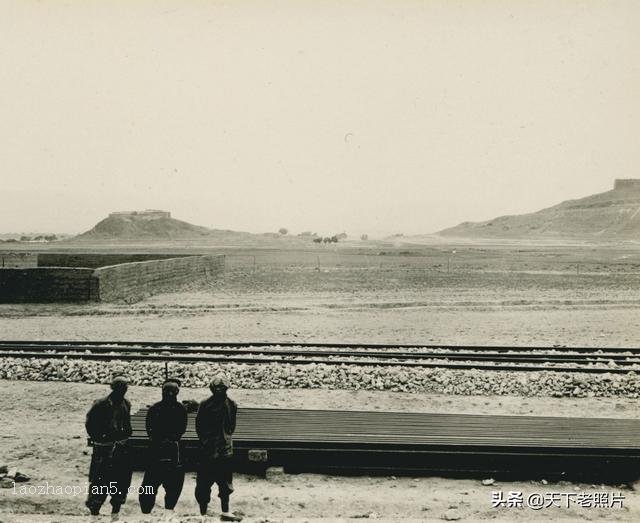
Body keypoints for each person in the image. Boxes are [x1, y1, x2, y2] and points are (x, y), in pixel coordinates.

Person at [194, 374, 243, 521]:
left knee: (225, 483)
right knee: (203, 484)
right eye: (217, 388)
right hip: (207, 451)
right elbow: (199, 427)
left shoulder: (232, 404)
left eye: (223, 388)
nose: (220, 391)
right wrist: (207, 443)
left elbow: (231, 427)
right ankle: (202, 511)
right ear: (212, 389)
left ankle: (225, 511)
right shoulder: (205, 404)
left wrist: (225, 441)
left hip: (224, 451)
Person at [85, 375, 133, 522]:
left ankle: (115, 513)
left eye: (125, 388)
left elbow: (127, 424)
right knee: (100, 481)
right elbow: (90, 424)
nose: (123, 391)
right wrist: (100, 439)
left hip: (120, 449)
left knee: (121, 481)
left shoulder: (126, 404)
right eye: (121, 388)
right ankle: (94, 514)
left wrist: (124, 437)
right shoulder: (100, 404)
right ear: (114, 389)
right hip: (104, 449)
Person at [139, 378, 188, 519]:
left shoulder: (155, 408)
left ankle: (157, 513)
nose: (169, 394)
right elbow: (180, 429)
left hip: (160, 449)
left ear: (177, 392)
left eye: (172, 391)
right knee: (158, 484)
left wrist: (161, 440)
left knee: (155, 483)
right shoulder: (179, 409)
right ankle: (152, 514)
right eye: (167, 391)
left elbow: (150, 429)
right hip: (168, 449)